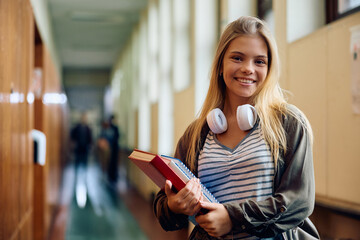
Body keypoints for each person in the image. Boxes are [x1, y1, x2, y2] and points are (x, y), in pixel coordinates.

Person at [153, 16, 319, 239]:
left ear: (269, 69)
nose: (248, 69)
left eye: (259, 61)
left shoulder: (289, 123)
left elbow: (299, 201)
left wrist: (233, 218)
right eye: (238, 58)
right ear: (221, 65)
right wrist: (174, 206)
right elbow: (164, 206)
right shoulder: (196, 135)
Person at [107, 114, 120, 184]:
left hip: (114, 147)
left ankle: (113, 176)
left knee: (114, 162)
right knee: (111, 162)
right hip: (111, 147)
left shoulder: (114, 128)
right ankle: (111, 176)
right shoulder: (111, 128)